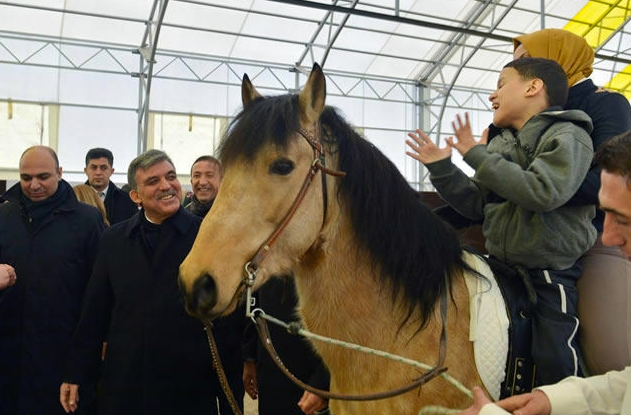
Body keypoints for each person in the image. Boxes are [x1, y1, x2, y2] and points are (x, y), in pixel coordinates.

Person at [406, 57, 596, 386]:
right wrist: (442, 168)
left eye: (501, 84)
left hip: (549, 272)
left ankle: (571, 402)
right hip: (500, 268)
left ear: (533, 87)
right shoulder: (500, 142)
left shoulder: (569, 135)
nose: (492, 96)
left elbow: (544, 191)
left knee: (555, 354)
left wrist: (476, 155)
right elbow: (477, 204)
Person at [454, 129, 631, 415]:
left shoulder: (567, 134)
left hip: (551, 265)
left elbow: (540, 190)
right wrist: (553, 400)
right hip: (505, 259)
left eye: (623, 219)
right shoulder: (508, 139)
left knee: (563, 345)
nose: (608, 235)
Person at [60, 149, 219, 415]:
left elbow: (224, 315)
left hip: (186, 384)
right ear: (135, 196)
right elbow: (94, 313)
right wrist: (75, 372)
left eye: (170, 177)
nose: (166, 186)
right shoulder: (114, 240)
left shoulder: (204, 236)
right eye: (153, 181)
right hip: (125, 383)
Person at [513, 28, 631, 376]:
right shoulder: (526, 114)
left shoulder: (605, 103)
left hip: (593, 239)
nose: (514, 70)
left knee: (609, 355)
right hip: (530, 241)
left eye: (525, 61)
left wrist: (522, 178)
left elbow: (605, 180)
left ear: (554, 62)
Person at [0, 145, 105, 415]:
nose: (33, 185)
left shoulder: (86, 221)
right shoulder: (4, 217)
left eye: (43, 177)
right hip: (9, 362)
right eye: (26, 178)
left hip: (61, 364)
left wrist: (80, 368)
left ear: (60, 173)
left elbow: (98, 300)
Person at [184, 155, 247, 415]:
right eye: (197, 175)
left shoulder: (239, 221)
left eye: (209, 175)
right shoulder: (182, 219)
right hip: (191, 332)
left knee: (232, 400)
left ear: (223, 180)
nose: (202, 181)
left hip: (230, 331)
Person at [243, 277, 330, 415]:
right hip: (270, 373)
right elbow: (255, 306)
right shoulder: (264, 257)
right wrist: (250, 357)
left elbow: (348, 328)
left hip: (311, 381)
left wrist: (323, 384)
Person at [84, 147, 138, 225]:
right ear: (86, 171)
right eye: (93, 168)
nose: (98, 172)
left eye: (103, 168)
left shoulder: (127, 201)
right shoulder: (74, 198)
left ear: (111, 171)